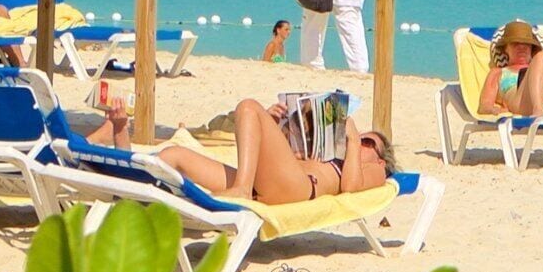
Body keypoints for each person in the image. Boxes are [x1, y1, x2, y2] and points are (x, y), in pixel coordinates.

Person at [150, 99, 392, 207]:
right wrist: (275, 125)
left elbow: (350, 187)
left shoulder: (376, 171)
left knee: (248, 107)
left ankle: (242, 191)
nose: (361, 141)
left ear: (380, 158)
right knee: (174, 155)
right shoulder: (330, 153)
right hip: (268, 181)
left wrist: (350, 138)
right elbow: (276, 160)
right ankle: (135, 199)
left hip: (300, 189)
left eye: (368, 142)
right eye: (362, 138)